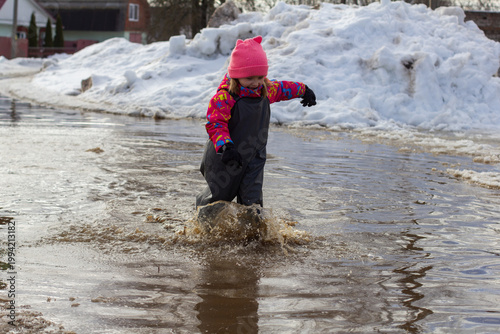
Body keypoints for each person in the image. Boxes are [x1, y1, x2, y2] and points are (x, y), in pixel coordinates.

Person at [196, 36, 316, 208]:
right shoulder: (225, 97)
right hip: (226, 156)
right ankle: (203, 227)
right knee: (218, 199)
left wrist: (304, 90)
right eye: (250, 78)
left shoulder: (265, 89)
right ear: (236, 76)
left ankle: (254, 232)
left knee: (253, 203)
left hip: (254, 157)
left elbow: (283, 88)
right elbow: (216, 123)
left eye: (260, 77)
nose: (256, 83)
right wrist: (225, 147)